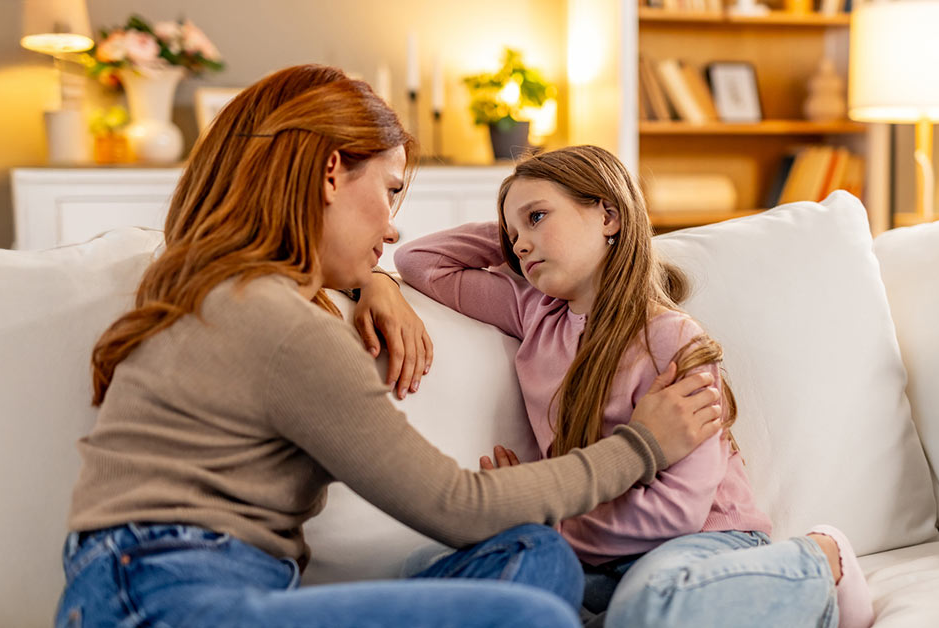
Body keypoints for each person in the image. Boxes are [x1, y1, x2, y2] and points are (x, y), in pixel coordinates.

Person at [54, 66, 729, 628]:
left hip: (163, 586)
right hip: (163, 596)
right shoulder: (277, 322)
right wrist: (643, 446)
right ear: (329, 174)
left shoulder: (239, 295)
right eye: (391, 190)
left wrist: (373, 279)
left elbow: (393, 264)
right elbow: (457, 506)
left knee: (535, 556)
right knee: (531, 616)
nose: (394, 228)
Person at [394, 145, 874, 628]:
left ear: (608, 216)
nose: (519, 246)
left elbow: (678, 512)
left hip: (702, 543)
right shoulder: (535, 314)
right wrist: (514, 234)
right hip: (601, 555)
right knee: (431, 567)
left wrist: (546, 518)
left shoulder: (671, 338)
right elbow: (420, 261)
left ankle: (818, 560)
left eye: (537, 217)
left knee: (650, 603)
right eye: (512, 235)